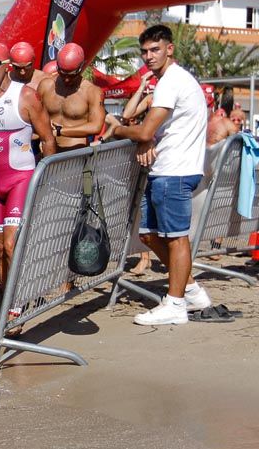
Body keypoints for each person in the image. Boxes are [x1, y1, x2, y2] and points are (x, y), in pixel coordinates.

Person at [108, 24, 212, 326]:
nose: (148, 56)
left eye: (155, 49)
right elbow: (151, 131)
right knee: (149, 235)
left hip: (175, 171)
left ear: (170, 49)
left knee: (177, 239)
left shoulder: (171, 80)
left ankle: (176, 304)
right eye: (144, 51)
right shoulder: (171, 80)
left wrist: (118, 129)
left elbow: (143, 128)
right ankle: (190, 289)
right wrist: (146, 137)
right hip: (167, 169)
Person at [0, 42, 56, 294]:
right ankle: (8, 300)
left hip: (19, 179)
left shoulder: (26, 95)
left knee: (11, 245)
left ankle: (17, 302)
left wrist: (45, 179)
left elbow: (47, 139)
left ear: (7, 67)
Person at [37, 43, 107, 153]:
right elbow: (33, 116)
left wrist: (60, 131)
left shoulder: (92, 92)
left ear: (81, 67)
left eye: (71, 75)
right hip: (47, 154)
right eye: (62, 73)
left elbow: (96, 126)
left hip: (74, 156)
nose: (66, 80)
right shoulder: (45, 85)